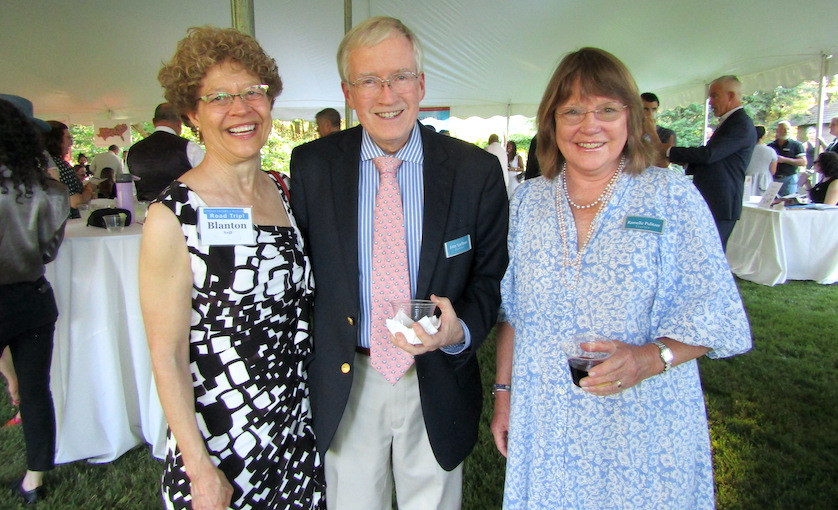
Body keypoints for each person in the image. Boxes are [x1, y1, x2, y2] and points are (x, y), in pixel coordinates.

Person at [491, 47, 752, 510]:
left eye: (607, 110)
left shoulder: (671, 196)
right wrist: (503, 394)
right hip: (547, 420)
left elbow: (716, 311)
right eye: (572, 111)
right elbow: (512, 310)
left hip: (643, 424)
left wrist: (650, 358)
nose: (589, 125)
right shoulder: (527, 202)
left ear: (631, 118)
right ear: (551, 122)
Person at [290, 16, 508, 510]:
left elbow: (491, 276)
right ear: (348, 92)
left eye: (400, 77)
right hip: (349, 379)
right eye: (369, 80)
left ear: (421, 84)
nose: (387, 94)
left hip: (437, 378)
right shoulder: (312, 166)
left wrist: (458, 331)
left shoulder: (474, 171)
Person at [139, 26, 325, 510]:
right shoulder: (173, 215)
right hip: (223, 446)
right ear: (192, 114)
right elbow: (167, 356)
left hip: (295, 432)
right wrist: (199, 468)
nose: (240, 109)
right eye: (219, 97)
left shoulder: (284, 192)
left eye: (252, 92)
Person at [0, 94, 70, 505]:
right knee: (35, 390)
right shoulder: (50, 191)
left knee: (32, 389)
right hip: (33, 300)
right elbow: (47, 252)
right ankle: (35, 479)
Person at [661, 75, 756, 250]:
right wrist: (685, 162)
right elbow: (715, 161)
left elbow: (709, 155)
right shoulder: (731, 122)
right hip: (715, 199)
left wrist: (667, 151)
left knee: (711, 252)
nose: (710, 102)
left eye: (714, 96)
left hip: (721, 202)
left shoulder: (740, 124)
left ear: (731, 96)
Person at [128, 103, 205, 202]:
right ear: (179, 123)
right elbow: (206, 183)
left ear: (153, 122)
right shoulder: (190, 148)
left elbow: (129, 190)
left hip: (145, 210)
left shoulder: (133, 150)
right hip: (181, 209)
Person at [43, 120, 95, 218]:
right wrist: (89, 189)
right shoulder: (58, 165)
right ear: (56, 140)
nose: (71, 142)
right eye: (68, 138)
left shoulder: (41, 162)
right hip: (69, 221)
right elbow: (75, 202)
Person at [767, 121, 806, 196]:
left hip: (789, 179)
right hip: (773, 179)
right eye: (783, 129)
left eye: (788, 129)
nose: (786, 131)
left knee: (787, 201)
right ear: (777, 130)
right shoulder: (770, 146)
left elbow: (803, 162)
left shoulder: (796, 145)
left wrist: (784, 160)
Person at [745, 126, 777, 196]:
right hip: (764, 182)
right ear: (763, 136)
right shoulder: (771, 151)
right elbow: (772, 171)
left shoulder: (745, 150)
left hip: (746, 181)